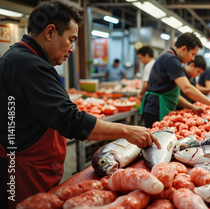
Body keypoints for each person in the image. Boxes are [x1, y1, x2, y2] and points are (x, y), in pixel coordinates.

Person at [0, 1, 160, 206]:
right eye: (71, 39)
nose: (72, 49)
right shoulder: (30, 66)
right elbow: (70, 120)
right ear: (50, 32)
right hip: (24, 170)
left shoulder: (18, 57)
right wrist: (127, 131)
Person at [140, 32, 210, 128]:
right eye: (192, 54)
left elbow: (175, 95)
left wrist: (192, 107)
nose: (193, 58)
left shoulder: (169, 56)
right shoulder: (171, 60)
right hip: (156, 109)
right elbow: (187, 88)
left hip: (159, 107)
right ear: (183, 49)